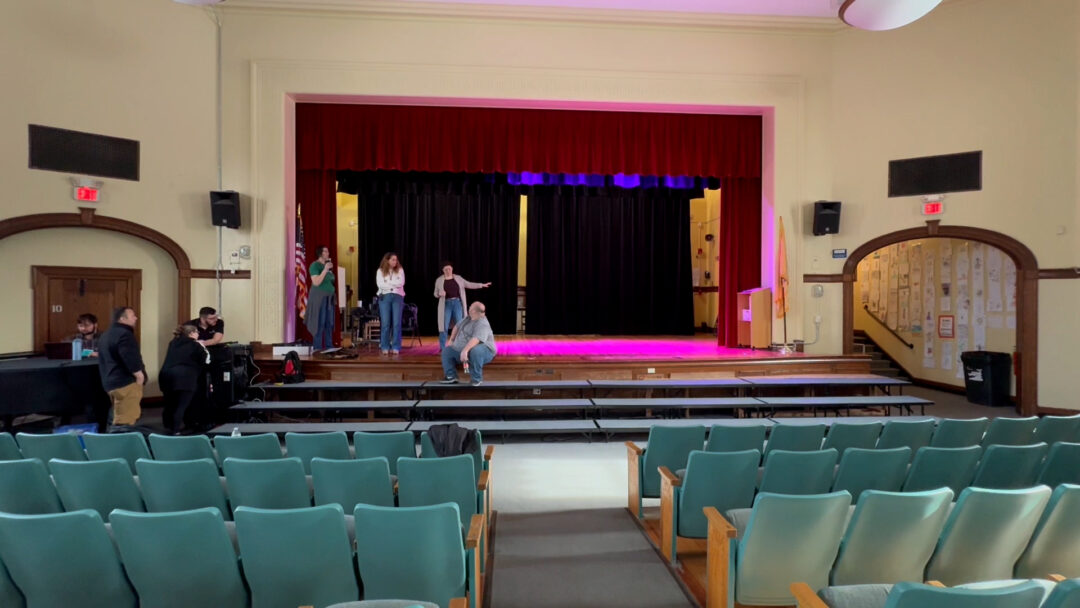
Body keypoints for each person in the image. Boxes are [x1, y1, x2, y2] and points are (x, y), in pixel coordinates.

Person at [96, 306, 146, 430]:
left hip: (110, 383)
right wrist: (140, 376)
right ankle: (122, 448)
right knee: (125, 423)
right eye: (132, 315)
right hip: (125, 384)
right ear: (122, 319)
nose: (136, 318)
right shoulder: (124, 335)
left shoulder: (106, 334)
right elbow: (129, 357)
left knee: (116, 417)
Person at [159, 324, 210, 434]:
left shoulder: (172, 343)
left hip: (166, 375)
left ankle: (168, 428)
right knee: (182, 405)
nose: (198, 334)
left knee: (170, 404)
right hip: (185, 377)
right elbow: (206, 360)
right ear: (191, 333)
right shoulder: (196, 345)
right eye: (197, 332)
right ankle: (176, 430)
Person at [433, 261, 491, 351]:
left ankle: (458, 346)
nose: (448, 270)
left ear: (452, 269)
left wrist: (481, 285)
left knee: (460, 325)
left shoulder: (458, 278)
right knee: (443, 326)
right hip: (446, 305)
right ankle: (442, 348)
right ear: (443, 270)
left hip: (457, 304)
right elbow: (435, 293)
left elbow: (469, 284)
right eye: (446, 269)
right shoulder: (439, 280)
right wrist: (439, 293)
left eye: (449, 268)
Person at [440, 301, 497, 386]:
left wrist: (465, 351)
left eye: (470, 307)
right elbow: (456, 326)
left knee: (476, 351)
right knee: (447, 351)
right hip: (465, 349)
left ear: (474, 311)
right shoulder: (468, 318)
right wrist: (451, 340)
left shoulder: (482, 323)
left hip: (485, 350)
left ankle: (476, 379)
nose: (469, 308)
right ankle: (451, 376)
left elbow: (476, 339)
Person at [306, 245, 337, 351]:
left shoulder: (327, 267)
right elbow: (316, 282)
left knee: (329, 322)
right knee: (320, 322)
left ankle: (329, 346)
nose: (328, 253)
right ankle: (318, 348)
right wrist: (325, 269)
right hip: (319, 298)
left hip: (329, 298)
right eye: (326, 251)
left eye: (328, 251)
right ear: (320, 253)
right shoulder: (315, 265)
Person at [375, 252, 405, 356]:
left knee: (396, 323)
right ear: (387, 260)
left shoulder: (400, 270)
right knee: (385, 323)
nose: (395, 261)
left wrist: (388, 284)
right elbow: (380, 284)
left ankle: (396, 346)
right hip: (385, 297)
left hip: (397, 297)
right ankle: (385, 346)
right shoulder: (380, 271)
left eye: (396, 260)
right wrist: (392, 285)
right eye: (393, 259)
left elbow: (401, 283)